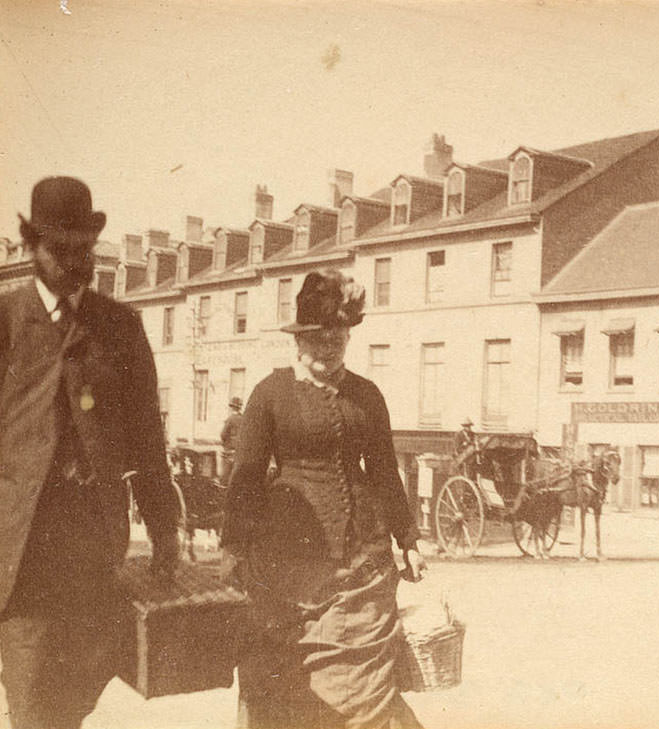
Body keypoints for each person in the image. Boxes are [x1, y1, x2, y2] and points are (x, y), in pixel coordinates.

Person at [0, 177, 180, 729]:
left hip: (92, 552)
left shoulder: (121, 327)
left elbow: (148, 442)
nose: (76, 261)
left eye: (84, 248)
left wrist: (166, 534)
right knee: (32, 703)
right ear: (33, 248)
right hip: (22, 553)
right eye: (61, 249)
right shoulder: (6, 321)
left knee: (72, 704)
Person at [223, 270, 427, 729]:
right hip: (285, 560)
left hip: (362, 560)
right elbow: (247, 477)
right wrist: (233, 545)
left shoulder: (367, 395)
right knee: (285, 684)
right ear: (298, 339)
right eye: (317, 335)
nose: (328, 344)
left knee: (365, 688)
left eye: (338, 334)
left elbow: (383, 471)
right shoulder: (270, 394)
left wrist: (408, 538)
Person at [220, 396, 244, 485]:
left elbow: (223, 434)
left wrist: (224, 444)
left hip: (229, 451)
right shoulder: (243, 418)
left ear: (232, 407)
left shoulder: (230, 419)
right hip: (240, 451)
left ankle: (223, 489)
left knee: (225, 476)